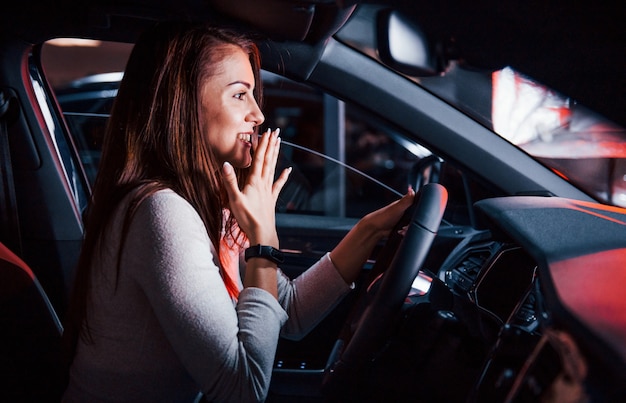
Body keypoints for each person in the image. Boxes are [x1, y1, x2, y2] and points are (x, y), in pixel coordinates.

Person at [61, 21, 415, 403]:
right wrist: (263, 243)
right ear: (184, 103)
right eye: (240, 95)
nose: (259, 115)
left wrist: (369, 230)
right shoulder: (161, 212)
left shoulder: (209, 203)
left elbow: (288, 312)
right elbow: (242, 391)